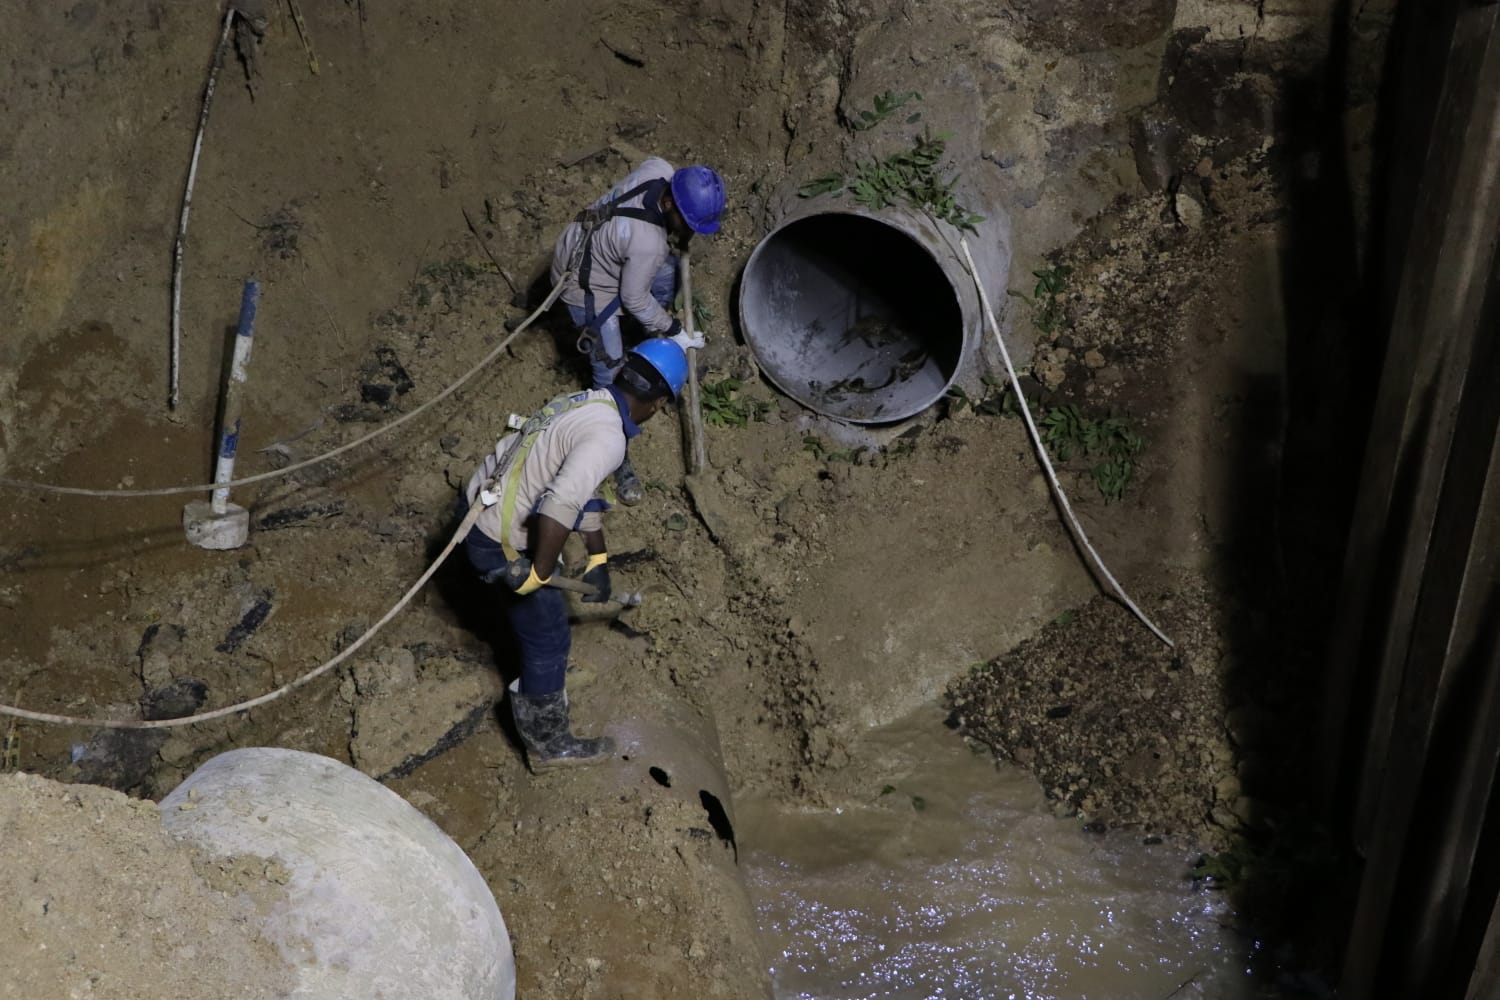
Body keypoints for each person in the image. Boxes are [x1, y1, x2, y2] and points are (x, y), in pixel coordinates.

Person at [461, 338, 689, 772]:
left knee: (539, 610)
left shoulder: (587, 403)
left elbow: (578, 490)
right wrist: (539, 572)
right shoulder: (608, 437)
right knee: (549, 638)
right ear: (660, 403)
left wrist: (598, 558)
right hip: (495, 540)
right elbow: (559, 504)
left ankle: (534, 655)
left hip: (479, 508)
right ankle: (549, 747)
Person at [550, 157, 726, 503]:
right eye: (687, 223)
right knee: (611, 372)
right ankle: (617, 451)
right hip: (581, 283)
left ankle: (649, 345)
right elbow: (633, 297)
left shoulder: (659, 169)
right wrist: (674, 328)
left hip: (589, 241)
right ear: (669, 203)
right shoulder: (649, 243)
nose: (688, 231)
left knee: (666, 274)